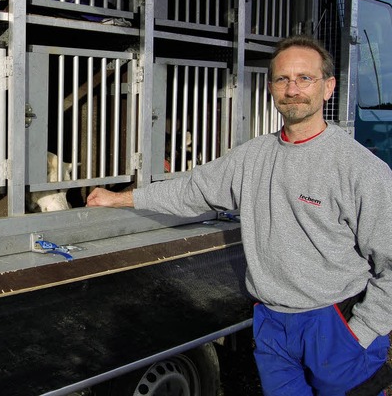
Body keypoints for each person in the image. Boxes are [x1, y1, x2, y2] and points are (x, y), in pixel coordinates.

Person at [87, 35, 392, 396]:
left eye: (304, 78)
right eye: (282, 79)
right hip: (272, 325)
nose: (292, 89)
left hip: (334, 324)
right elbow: (192, 190)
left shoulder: (361, 169)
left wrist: (363, 332)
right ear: (271, 88)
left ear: (328, 88)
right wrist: (119, 199)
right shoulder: (252, 158)